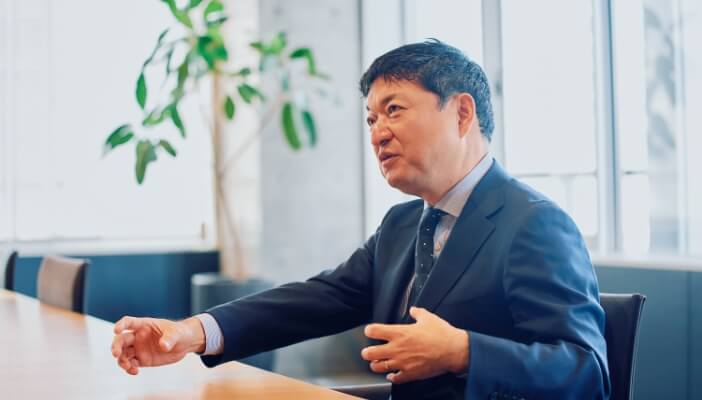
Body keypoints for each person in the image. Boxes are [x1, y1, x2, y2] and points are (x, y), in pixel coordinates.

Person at [112, 39, 610, 400]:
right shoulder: (401, 225)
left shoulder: (534, 224)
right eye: (371, 119)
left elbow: (587, 373)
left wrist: (463, 351)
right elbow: (317, 300)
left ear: (462, 114)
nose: (377, 134)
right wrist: (191, 333)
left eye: (394, 110)